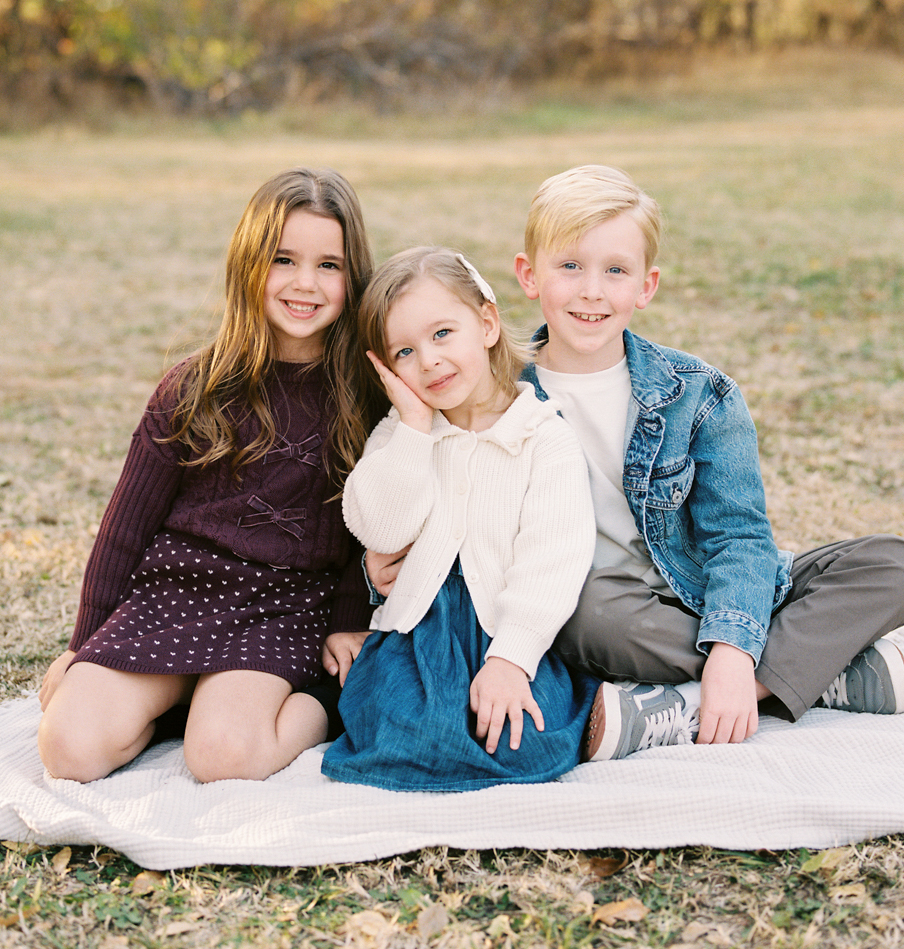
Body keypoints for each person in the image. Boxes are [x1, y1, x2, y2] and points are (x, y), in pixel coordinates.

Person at [508, 163, 904, 761]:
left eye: (615, 270)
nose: (592, 290)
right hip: (606, 611)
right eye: (570, 266)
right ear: (528, 275)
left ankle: (707, 697)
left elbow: (739, 536)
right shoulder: (498, 397)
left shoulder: (699, 392)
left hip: (703, 589)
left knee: (891, 563)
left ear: (646, 285)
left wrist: (734, 648)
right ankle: (828, 673)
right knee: (585, 613)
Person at [38, 167, 383, 784]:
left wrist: (347, 624)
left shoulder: (364, 395)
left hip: (282, 605)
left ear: (352, 276)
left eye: (328, 265)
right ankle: (179, 698)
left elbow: (367, 527)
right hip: (173, 593)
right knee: (68, 747)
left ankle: (318, 710)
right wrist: (82, 643)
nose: (305, 283)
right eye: (283, 259)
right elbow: (123, 531)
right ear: (249, 264)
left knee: (224, 757)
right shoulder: (192, 388)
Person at [320, 247, 598, 791]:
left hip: (503, 629)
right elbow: (378, 529)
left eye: (443, 333)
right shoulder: (404, 436)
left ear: (488, 323)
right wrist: (415, 427)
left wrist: (512, 660)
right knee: (399, 730)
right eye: (405, 351)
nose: (429, 361)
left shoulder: (543, 437)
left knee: (525, 736)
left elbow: (554, 559)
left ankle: (611, 711)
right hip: (416, 637)